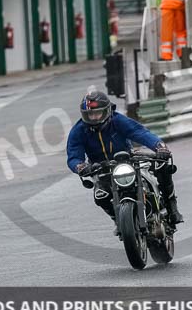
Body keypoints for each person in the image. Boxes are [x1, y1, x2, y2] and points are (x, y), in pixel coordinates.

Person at [66, 90, 183, 225]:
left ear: (107, 111)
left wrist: (159, 147)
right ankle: (117, 219)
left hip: (127, 160)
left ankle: (171, 206)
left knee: (163, 166)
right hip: (101, 168)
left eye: (97, 113)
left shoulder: (118, 120)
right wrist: (80, 166)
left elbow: (140, 132)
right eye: (90, 115)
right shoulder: (78, 131)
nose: (94, 118)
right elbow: (73, 156)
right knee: (100, 197)